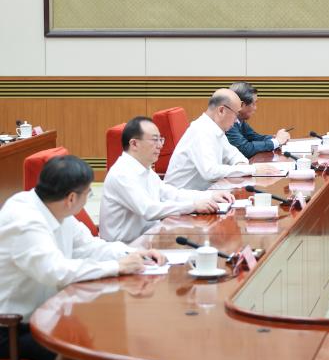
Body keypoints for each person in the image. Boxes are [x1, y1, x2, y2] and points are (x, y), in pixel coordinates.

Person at [0, 155, 165, 360]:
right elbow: (56, 271)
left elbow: (90, 246)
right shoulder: (24, 220)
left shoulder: (56, 208)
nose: (88, 199)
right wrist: (117, 267)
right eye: (88, 193)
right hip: (11, 329)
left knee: (109, 341)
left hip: (47, 315)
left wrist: (134, 253)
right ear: (71, 198)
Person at [100, 116, 235, 243]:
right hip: (126, 248)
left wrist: (210, 196)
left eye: (161, 140)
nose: (160, 145)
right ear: (134, 144)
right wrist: (193, 206)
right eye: (154, 140)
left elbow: (171, 194)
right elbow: (149, 210)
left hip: (149, 238)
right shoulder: (122, 174)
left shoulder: (144, 169)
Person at [164, 89, 280, 190]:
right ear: (221, 110)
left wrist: (241, 165)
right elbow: (210, 172)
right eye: (236, 114)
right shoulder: (201, 131)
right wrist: (252, 170)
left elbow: (234, 154)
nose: (236, 121)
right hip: (180, 201)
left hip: (204, 195)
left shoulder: (215, 129)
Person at [225, 81, 291, 158]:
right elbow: (245, 149)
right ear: (241, 105)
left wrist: (276, 138)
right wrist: (276, 142)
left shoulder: (239, 120)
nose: (255, 108)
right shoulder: (227, 122)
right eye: (254, 103)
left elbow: (255, 137)